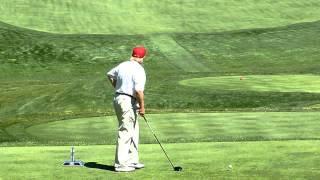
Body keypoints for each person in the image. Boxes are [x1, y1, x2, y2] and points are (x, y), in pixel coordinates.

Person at [107, 46, 147, 172]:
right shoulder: (139, 70)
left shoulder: (123, 65)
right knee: (125, 130)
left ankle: (132, 160)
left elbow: (109, 74)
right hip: (127, 101)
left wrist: (117, 87)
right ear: (142, 57)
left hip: (119, 98)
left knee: (133, 129)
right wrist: (142, 107)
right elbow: (139, 91)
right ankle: (121, 165)